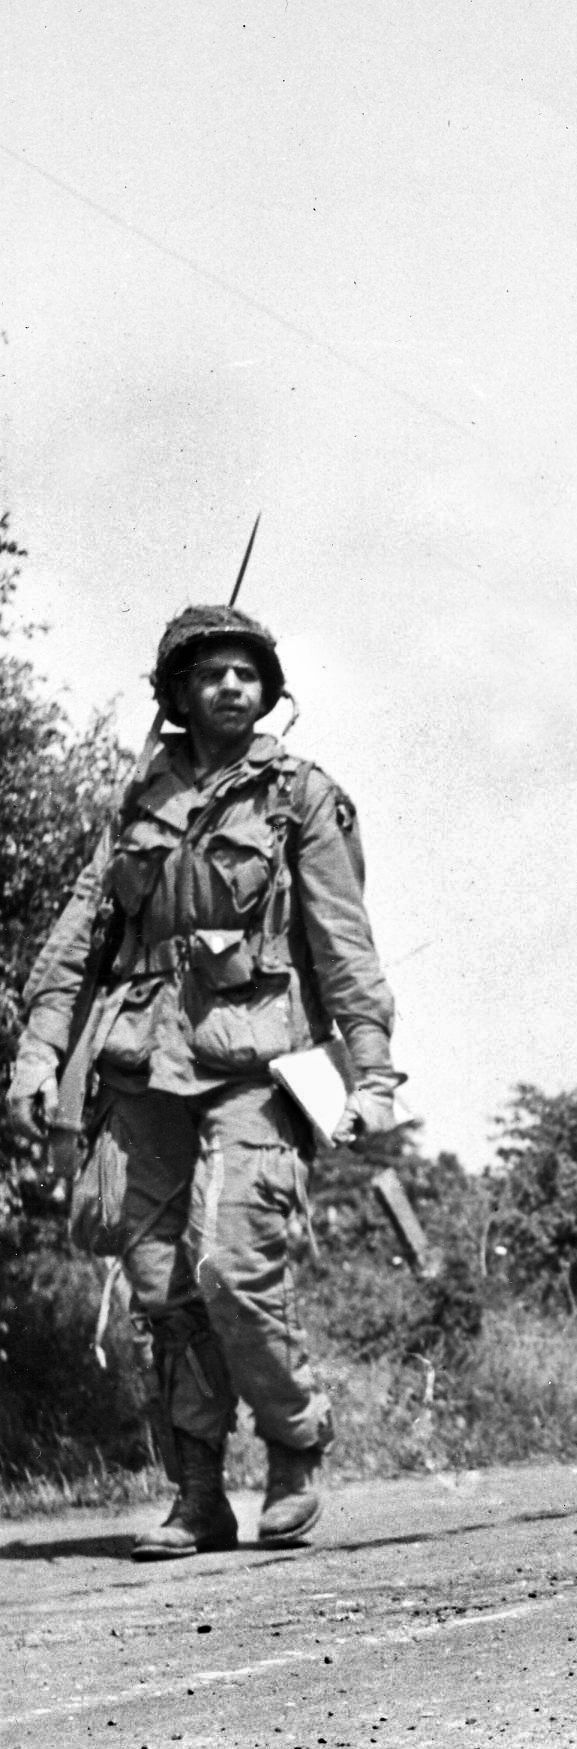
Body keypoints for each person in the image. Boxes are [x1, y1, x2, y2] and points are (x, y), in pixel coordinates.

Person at [6, 605, 402, 1558]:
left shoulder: (300, 794)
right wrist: (36, 1055)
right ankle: (196, 1494)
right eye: (209, 674)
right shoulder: (138, 802)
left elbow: (342, 943)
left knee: (231, 1265)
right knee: (160, 1286)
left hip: (255, 1065)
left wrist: (374, 1073)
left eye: (246, 672)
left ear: (270, 690)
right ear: (177, 696)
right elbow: (76, 945)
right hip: (141, 1064)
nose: (231, 686)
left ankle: (296, 1442)